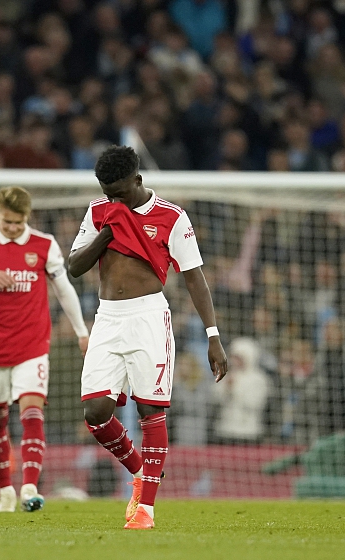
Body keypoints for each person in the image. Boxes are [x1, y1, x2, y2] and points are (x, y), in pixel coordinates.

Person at [69, 145, 227, 529]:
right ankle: (141, 471)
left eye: (119, 192)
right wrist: (108, 232)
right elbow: (74, 266)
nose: (113, 199)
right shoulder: (98, 211)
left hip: (148, 318)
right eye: (107, 192)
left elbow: (194, 277)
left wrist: (212, 335)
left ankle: (146, 510)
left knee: (150, 411)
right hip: (107, 318)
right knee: (95, 413)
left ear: (137, 181)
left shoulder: (172, 217)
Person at [0, 186, 89, 513]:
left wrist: (82, 331)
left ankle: (29, 487)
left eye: (19, 222)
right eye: (8, 221)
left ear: (28, 216)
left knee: (32, 413)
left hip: (32, 345)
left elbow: (64, 289)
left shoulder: (44, 244)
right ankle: (6, 492)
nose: (13, 228)